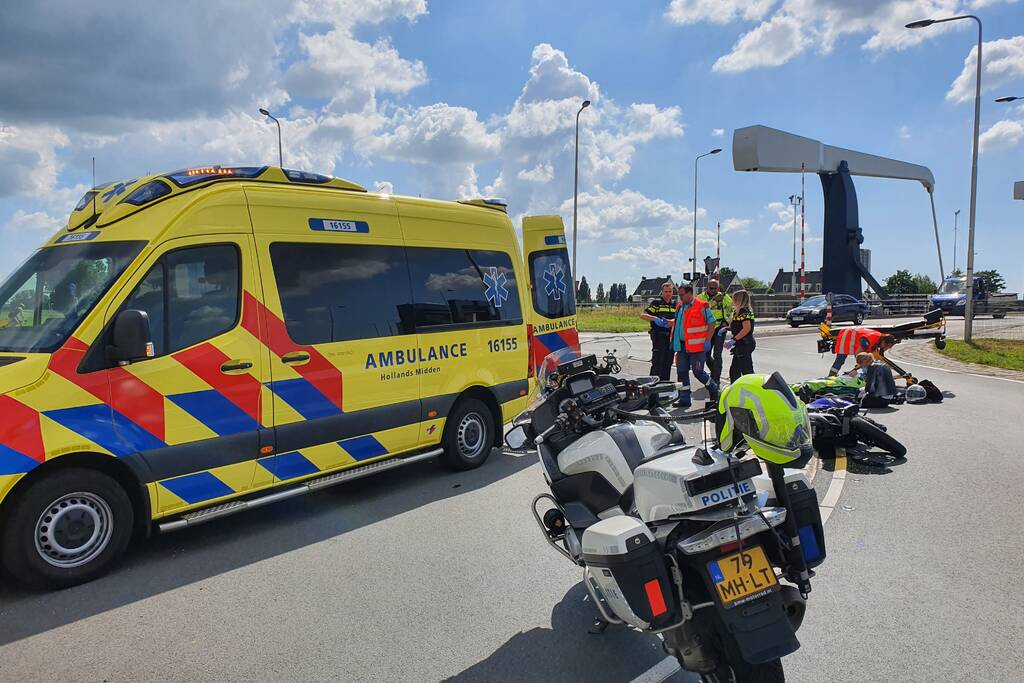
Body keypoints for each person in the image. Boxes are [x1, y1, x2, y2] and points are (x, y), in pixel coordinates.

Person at [671, 283, 718, 408]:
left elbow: (712, 323)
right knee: (681, 373)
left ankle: (714, 390)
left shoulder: (702, 306)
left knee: (698, 372)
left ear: (690, 293)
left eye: (682, 295)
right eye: (679, 295)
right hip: (681, 346)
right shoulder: (680, 307)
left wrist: (708, 340)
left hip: (697, 348)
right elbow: (680, 324)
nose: (680, 297)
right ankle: (684, 399)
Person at [697, 277, 732, 383]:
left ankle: (716, 379)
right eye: (711, 288)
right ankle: (714, 371)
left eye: (715, 288)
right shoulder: (701, 297)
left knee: (717, 354)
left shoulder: (724, 297)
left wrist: (727, 322)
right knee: (706, 355)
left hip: (719, 328)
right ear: (707, 287)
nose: (713, 290)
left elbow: (732, 309)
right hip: (706, 328)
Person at [639, 281, 676, 380]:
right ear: (662, 292)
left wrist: (673, 322)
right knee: (658, 361)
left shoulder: (675, 305)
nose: (668, 294)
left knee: (668, 362)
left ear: (672, 292)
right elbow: (643, 315)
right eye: (666, 291)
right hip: (659, 335)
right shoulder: (657, 303)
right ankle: (653, 384)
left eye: (670, 291)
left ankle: (665, 384)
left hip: (671, 336)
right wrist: (655, 319)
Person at [829, 327, 897, 375]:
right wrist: (863, 369)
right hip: (847, 336)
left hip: (854, 336)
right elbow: (859, 355)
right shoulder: (869, 340)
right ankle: (831, 375)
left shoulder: (879, 340)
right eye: (886, 347)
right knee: (840, 359)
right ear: (884, 342)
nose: (885, 349)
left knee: (866, 360)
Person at [724, 289, 755, 382]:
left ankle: (752, 389)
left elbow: (746, 328)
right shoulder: (737, 311)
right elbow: (737, 326)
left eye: (734, 299)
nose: (732, 301)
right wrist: (726, 328)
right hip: (741, 344)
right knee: (735, 370)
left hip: (745, 344)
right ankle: (736, 390)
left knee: (746, 370)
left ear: (738, 299)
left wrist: (734, 339)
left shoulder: (744, 311)